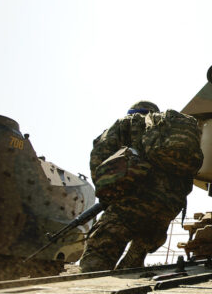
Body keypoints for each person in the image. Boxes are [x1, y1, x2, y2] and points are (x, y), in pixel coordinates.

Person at [79, 101, 195, 272]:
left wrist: (107, 195)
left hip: (130, 204)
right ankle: (131, 267)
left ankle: (86, 291)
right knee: (135, 258)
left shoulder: (127, 123)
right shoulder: (167, 133)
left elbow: (99, 157)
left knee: (98, 255)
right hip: (167, 209)